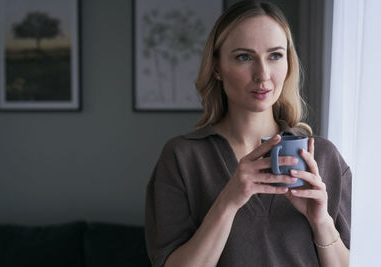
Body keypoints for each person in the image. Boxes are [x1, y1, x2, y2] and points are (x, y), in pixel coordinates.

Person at [145, 1, 351, 266]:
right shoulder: (182, 157)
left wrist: (321, 222)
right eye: (244, 57)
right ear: (217, 67)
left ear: (288, 62)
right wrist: (227, 203)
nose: (263, 74)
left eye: (275, 55)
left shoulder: (324, 157)